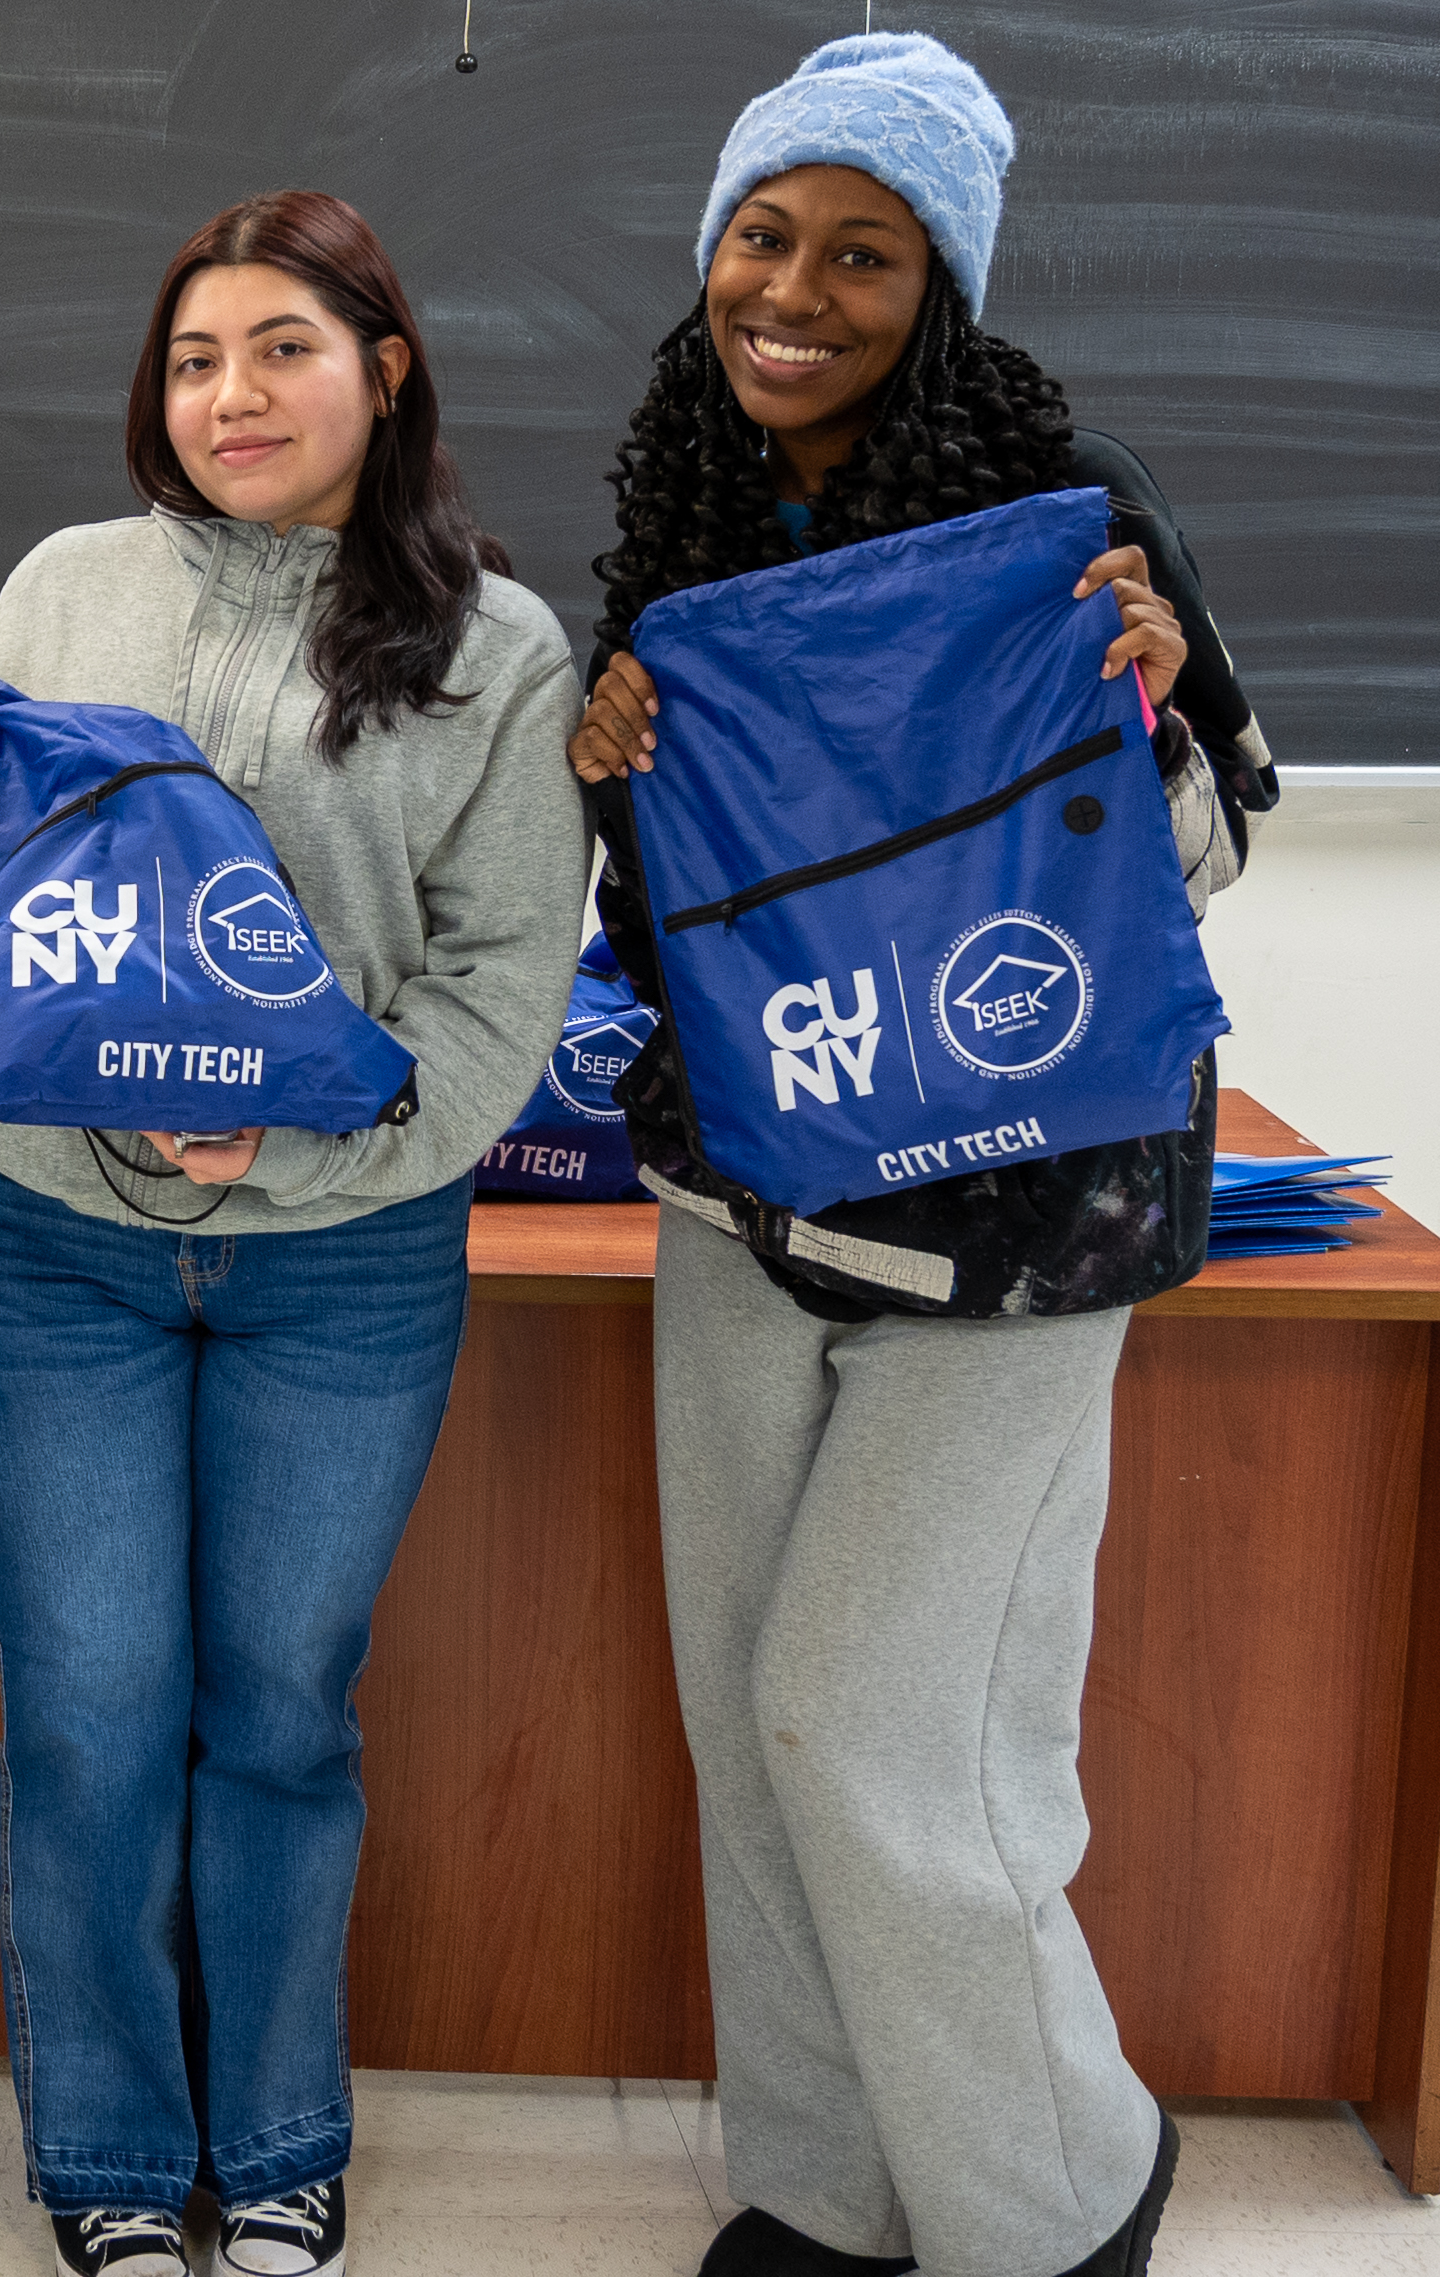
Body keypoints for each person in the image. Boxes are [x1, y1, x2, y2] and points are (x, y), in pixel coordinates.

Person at [564, 35, 1277, 2277]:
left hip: (1012, 1220)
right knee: (745, 1728)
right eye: (762, 236)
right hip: (741, 1194)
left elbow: (1193, 852)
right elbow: (672, 909)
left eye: (860, 252)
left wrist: (1149, 700)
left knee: (872, 1721)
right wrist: (604, 769)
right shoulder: (684, 506)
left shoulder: (1072, 501)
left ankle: (1055, 2189)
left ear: (936, 283)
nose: (795, 288)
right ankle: (832, 2184)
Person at [0, 191, 584, 2277]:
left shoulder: (502, 651)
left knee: (278, 1704)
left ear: (385, 369)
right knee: (87, 1701)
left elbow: (496, 995)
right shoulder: (65, 587)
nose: (231, 394)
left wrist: (288, 1159)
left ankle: (270, 2138)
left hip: (345, 1273)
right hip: (53, 1245)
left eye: (280, 348)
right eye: (192, 358)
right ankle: (100, 2155)